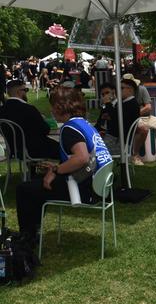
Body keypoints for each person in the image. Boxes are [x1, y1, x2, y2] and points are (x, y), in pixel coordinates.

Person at [15, 85, 112, 244]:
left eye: (52, 105)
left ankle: (28, 236)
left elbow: (81, 158)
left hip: (85, 189)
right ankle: (33, 230)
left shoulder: (70, 128)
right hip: (100, 186)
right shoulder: (85, 124)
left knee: (24, 190)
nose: (51, 110)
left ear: (61, 107)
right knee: (36, 185)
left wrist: (56, 169)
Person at [0, 79, 60, 160]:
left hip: (13, 150)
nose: (26, 92)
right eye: (25, 90)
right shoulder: (29, 109)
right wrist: (42, 119)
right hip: (34, 149)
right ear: (19, 92)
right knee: (65, 149)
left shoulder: (2, 110)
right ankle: (59, 171)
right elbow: (45, 130)